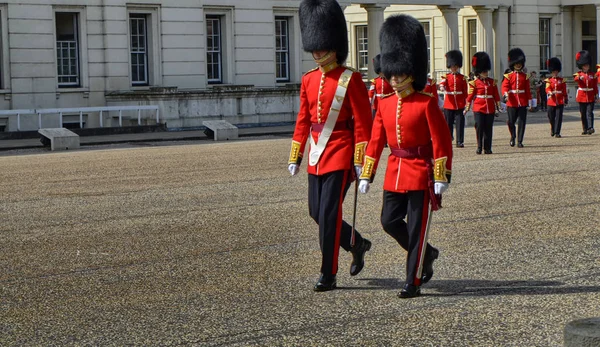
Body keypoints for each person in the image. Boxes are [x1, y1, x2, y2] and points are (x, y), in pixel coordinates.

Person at [357, 14, 453, 299]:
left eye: (399, 75)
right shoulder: (385, 105)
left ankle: (413, 281)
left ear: (411, 72)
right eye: (392, 75)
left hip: (421, 172)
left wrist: (441, 175)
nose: (395, 80)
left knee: (417, 230)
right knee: (388, 222)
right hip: (395, 171)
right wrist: (367, 173)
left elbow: (442, 140)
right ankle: (428, 253)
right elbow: (375, 141)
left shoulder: (426, 104)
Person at [287, 0, 373, 292]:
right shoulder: (309, 80)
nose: (317, 51)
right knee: (316, 212)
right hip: (316, 152)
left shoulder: (351, 79)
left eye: (321, 46)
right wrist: (296, 155)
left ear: (333, 45)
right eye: (315, 45)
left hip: (341, 152)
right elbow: (303, 121)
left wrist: (361, 159)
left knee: (329, 213)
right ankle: (357, 242)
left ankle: (328, 272)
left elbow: (363, 123)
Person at [465, 52, 501, 154]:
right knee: (479, 126)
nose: (486, 73)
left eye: (486, 71)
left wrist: (498, 106)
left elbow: (496, 95)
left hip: (489, 107)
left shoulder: (492, 82)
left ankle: (488, 148)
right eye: (484, 71)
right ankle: (479, 146)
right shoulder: (474, 83)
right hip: (479, 107)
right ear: (479, 72)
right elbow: (470, 96)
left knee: (488, 128)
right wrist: (467, 107)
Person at [502, 48, 532, 148]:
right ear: (513, 64)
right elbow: (505, 86)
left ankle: (520, 141)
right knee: (511, 122)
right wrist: (506, 94)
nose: (518, 65)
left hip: (522, 101)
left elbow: (527, 90)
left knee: (522, 122)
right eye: (516, 63)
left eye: (520, 63)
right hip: (512, 101)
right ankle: (513, 136)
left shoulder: (525, 76)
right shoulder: (508, 76)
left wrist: (530, 101)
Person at [439, 50, 468, 147]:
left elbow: (465, 92)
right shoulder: (446, 76)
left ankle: (460, 141)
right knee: (448, 123)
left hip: (459, 103)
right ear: (450, 66)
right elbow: (442, 83)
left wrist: (466, 103)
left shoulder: (462, 78)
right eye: (452, 66)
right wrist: (442, 87)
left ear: (458, 66)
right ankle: (449, 137)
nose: (454, 68)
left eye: (455, 66)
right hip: (449, 103)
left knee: (460, 124)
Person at [574, 50, 597, 135]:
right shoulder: (578, 74)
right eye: (585, 66)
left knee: (590, 112)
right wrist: (579, 78)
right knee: (583, 113)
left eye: (587, 65)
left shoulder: (592, 74)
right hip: (582, 95)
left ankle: (591, 127)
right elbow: (576, 79)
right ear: (582, 66)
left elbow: (594, 85)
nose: (587, 67)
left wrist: (596, 95)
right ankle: (585, 128)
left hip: (590, 95)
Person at [545, 57, 568, 138]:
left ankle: (557, 132)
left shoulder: (562, 80)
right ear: (551, 71)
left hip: (560, 100)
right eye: (554, 71)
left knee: (559, 117)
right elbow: (547, 88)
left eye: (556, 71)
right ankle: (553, 128)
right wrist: (550, 92)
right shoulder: (548, 80)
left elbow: (564, 90)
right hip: (551, 100)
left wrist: (566, 99)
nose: (555, 72)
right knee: (551, 116)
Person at [368, 54, 394, 118]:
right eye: (379, 72)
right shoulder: (375, 81)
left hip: (389, 105)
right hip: (377, 106)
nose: (381, 73)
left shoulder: (391, 81)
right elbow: (370, 95)